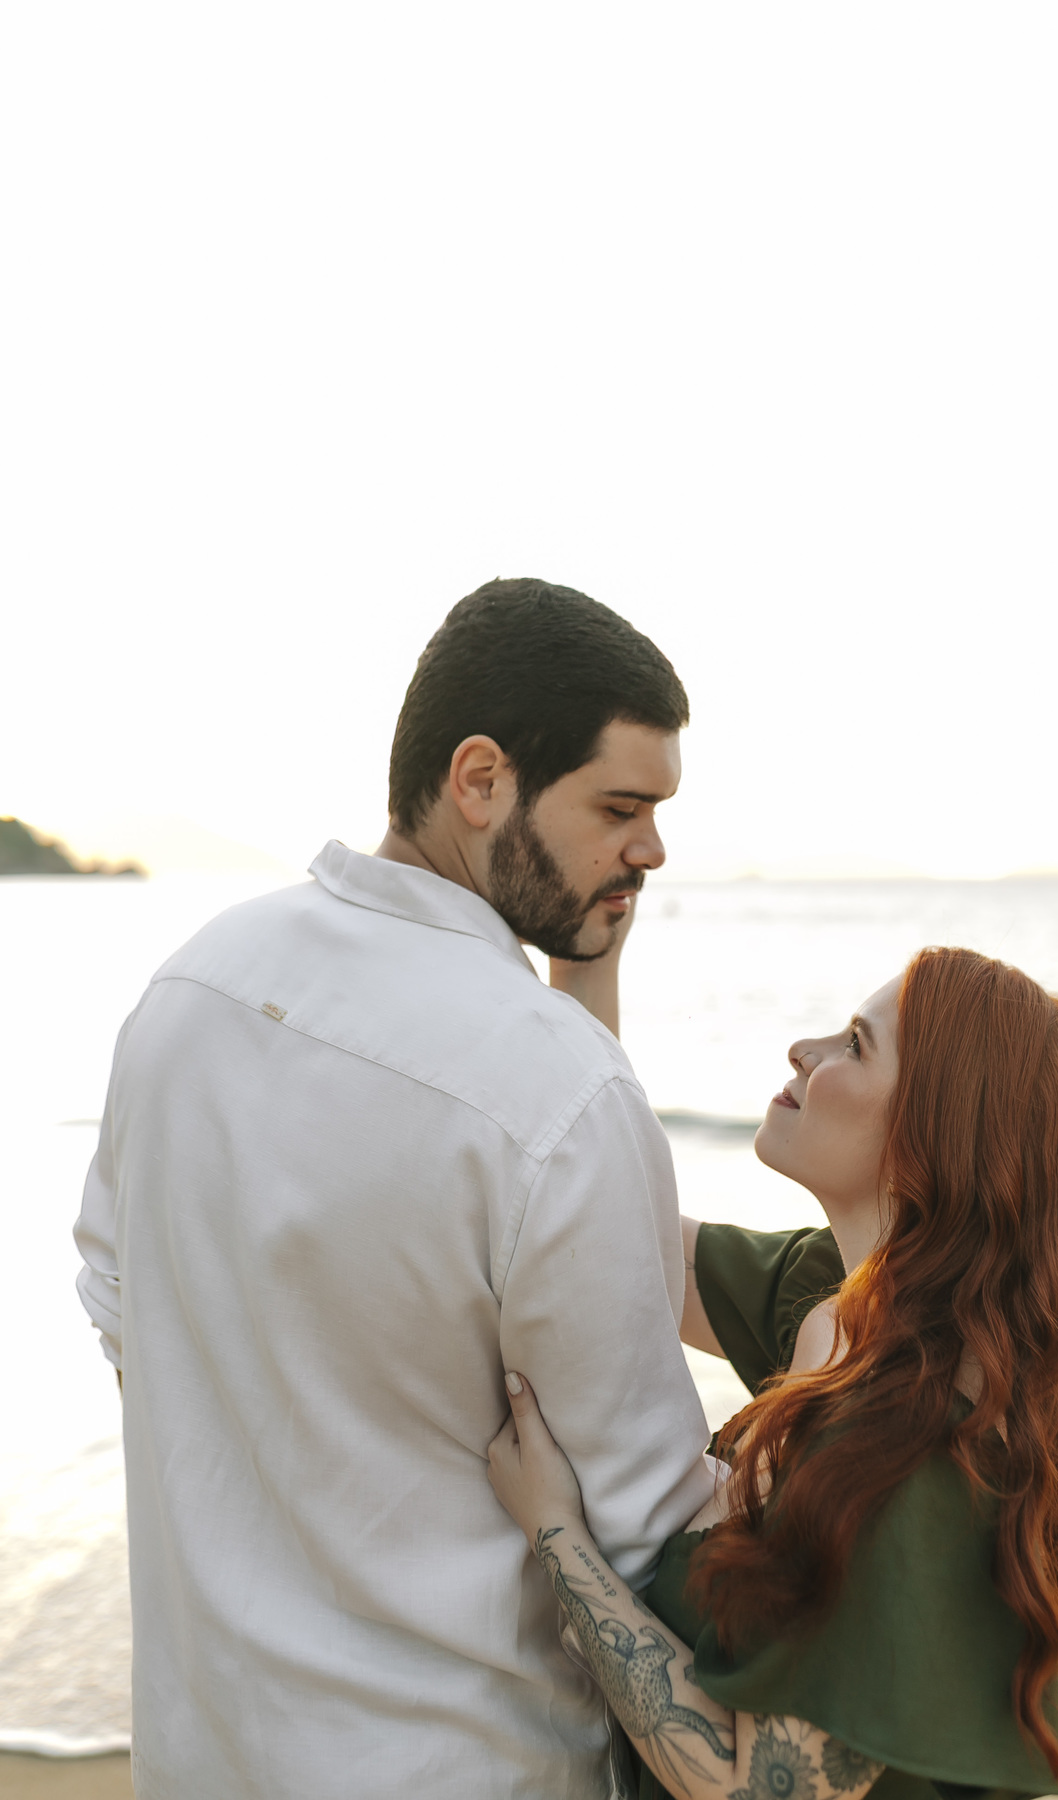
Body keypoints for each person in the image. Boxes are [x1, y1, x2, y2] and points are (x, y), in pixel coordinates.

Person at [74, 577, 716, 1799]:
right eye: (620, 807)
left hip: (205, 1754)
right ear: (480, 780)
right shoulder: (559, 1094)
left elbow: (121, 1309)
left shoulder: (193, 985)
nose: (652, 849)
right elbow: (647, 1522)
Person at [489, 946, 1058, 1800]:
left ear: (931, 1137)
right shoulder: (853, 1307)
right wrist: (585, 965)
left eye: (854, 1044)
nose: (803, 1050)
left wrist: (557, 1537)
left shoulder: (916, 1459)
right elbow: (620, 1232)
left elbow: (763, 1789)